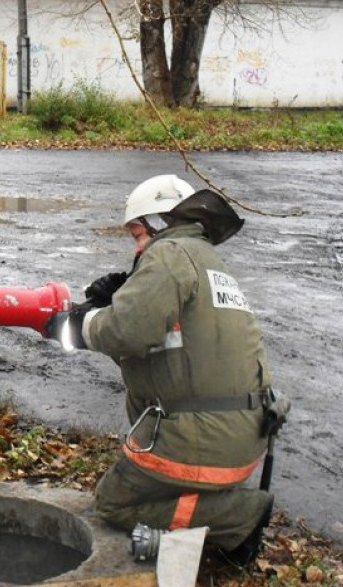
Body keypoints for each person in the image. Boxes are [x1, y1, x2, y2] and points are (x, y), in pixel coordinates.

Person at [45, 174, 289, 565]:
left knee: (114, 502)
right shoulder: (208, 262)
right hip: (244, 433)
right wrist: (110, 304)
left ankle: (238, 516)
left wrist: (74, 326)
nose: (138, 246)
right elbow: (152, 352)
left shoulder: (169, 255)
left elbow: (126, 332)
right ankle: (214, 505)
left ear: (161, 223)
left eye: (138, 234)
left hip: (207, 440)